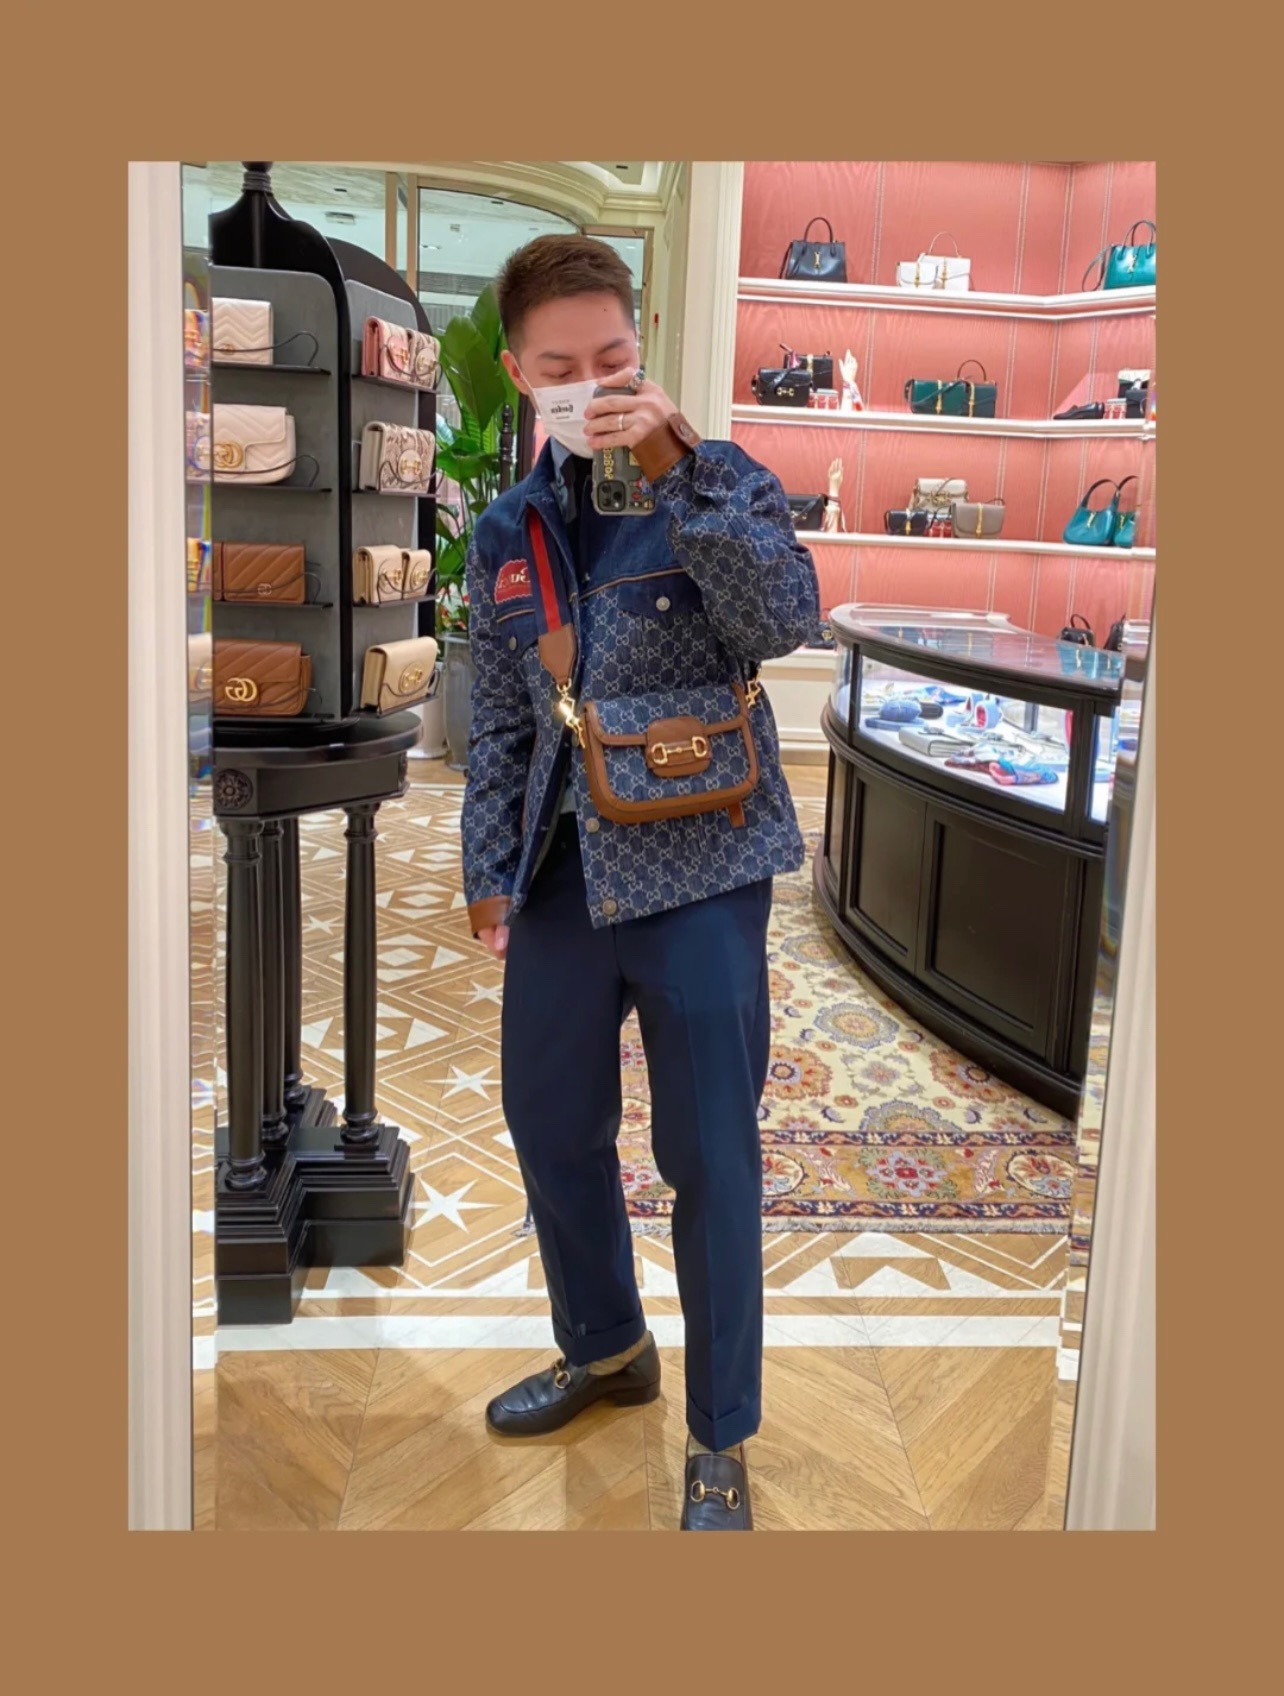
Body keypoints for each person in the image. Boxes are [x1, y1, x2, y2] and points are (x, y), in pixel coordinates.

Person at [459, 234, 820, 1531]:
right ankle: (607, 1348)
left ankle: (721, 1435)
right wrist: (487, 872)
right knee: (550, 1124)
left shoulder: (722, 481)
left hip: (705, 864)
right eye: (559, 368)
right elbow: (501, 718)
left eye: (611, 358)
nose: (590, 386)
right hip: (563, 872)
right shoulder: (506, 529)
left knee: (708, 1151)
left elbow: (783, 622)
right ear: (519, 375)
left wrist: (676, 470)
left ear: (642, 346)